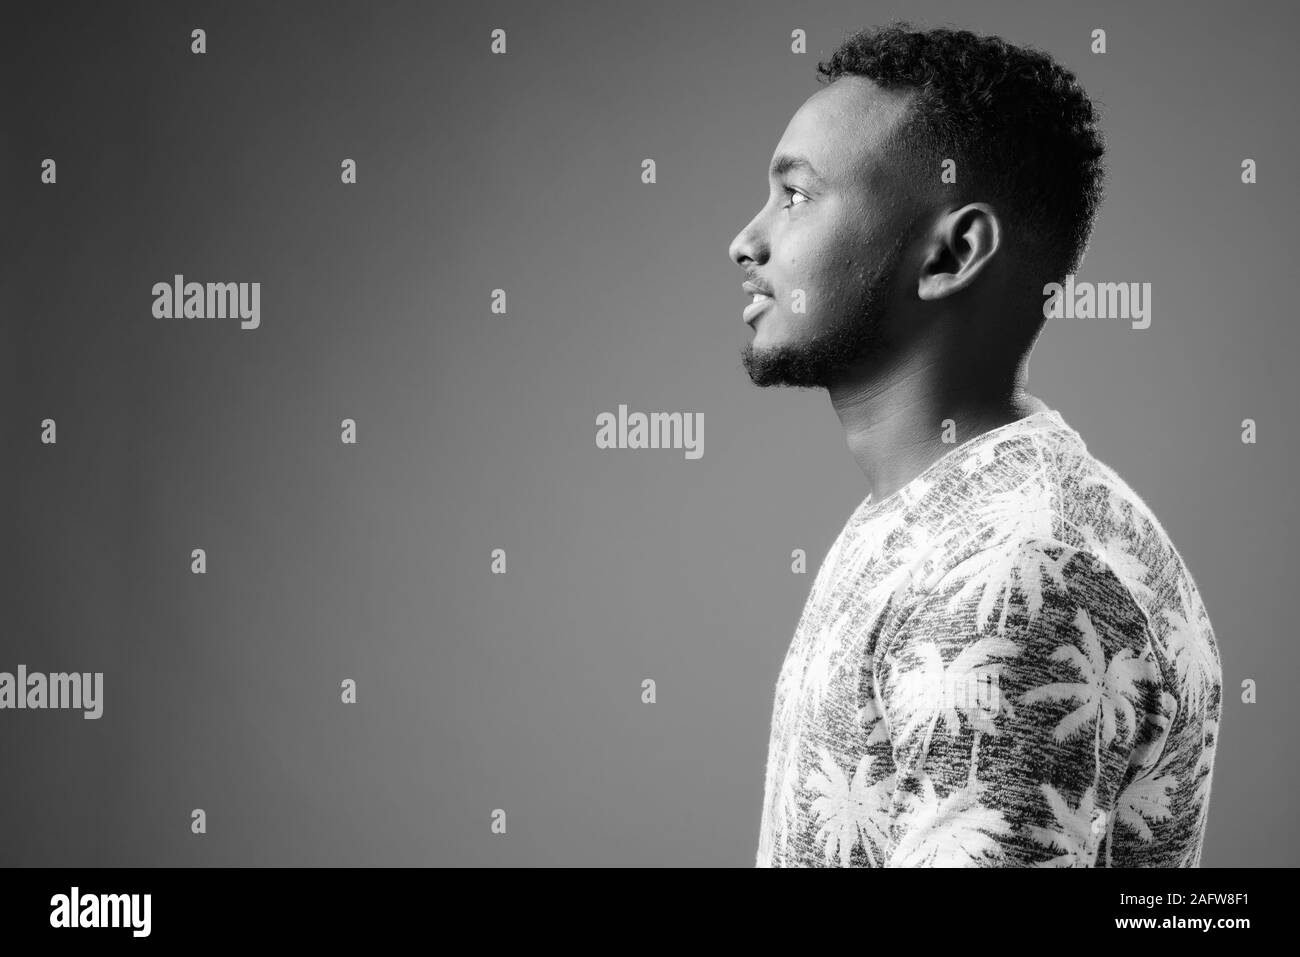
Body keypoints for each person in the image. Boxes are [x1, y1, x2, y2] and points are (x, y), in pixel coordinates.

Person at [728, 22, 1222, 867]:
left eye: (797, 195)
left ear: (952, 252)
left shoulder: (1014, 568)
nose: (746, 239)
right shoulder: (934, 516)